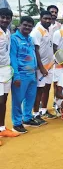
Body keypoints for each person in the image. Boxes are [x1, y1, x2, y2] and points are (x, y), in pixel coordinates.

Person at [10, 16, 40, 133]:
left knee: (30, 98)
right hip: (20, 75)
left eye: (30, 26)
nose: (27, 27)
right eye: (25, 25)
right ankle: (17, 123)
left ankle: (27, 118)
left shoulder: (30, 39)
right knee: (18, 100)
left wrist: (36, 71)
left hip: (32, 74)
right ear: (20, 25)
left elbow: (33, 55)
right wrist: (16, 76)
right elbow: (13, 58)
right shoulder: (14, 39)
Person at [30, 11, 56, 125]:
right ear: (40, 18)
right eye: (45, 18)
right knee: (39, 91)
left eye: (49, 19)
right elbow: (36, 50)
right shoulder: (37, 31)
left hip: (49, 66)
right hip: (41, 68)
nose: (48, 20)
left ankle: (43, 110)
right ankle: (35, 114)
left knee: (46, 89)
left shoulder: (48, 30)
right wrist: (41, 68)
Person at [0, 8, 19, 143]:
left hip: (6, 70)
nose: (5, 20)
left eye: (7, 18)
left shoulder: (7, 32)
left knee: (4, 100)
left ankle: (2, 128)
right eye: (2, 17)